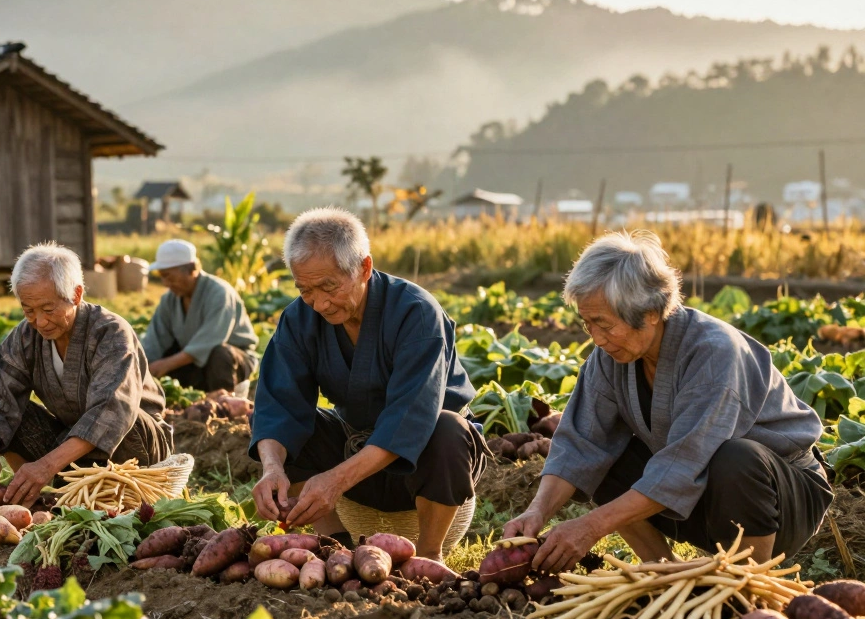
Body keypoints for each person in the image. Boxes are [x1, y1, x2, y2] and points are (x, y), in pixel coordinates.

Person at [504, 231, 834, 571]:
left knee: (736, 458)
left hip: (779, 499)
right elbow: (579, 444)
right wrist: (537, 511)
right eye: (588, 325)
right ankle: (664, 570)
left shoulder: (713, 352)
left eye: (604, 324)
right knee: (603, 460)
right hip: (701, 495)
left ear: (649, 312)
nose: (597, 339)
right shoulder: (609, 357)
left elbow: (685, 463)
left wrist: (591, 527)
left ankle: (747, 583)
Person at [248, 208, 487, 558]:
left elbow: (411, 419)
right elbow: (277, 405)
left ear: (364, 267)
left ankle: (429, 555)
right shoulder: (299, 318)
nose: (319, 303)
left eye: (329, 286)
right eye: (305, 290)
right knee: (287, 430)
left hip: (427, 466)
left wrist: (336, 480)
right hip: (357, 449)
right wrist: (272, 468)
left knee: (447, 429)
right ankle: (334, 545)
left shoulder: (416, 313)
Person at [0, 242, 175, 506]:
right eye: (28, 310)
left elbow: (111, 411)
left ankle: (78, 489)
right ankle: (34, 495)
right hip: (72, 445)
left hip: (137, 447)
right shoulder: (27, 335)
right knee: (12, 415)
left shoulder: (110, 333)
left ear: (76, 295)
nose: (39, 322)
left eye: (48, 309)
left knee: (125, 418)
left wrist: (46, 466)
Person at [141, 239, 259, 393]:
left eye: (169, 277)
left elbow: (209, 341)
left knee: (220, 354)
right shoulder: (169, 300)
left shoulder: (219, 293)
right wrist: (141, 365)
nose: (165, 283)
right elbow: (154, 340)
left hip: (232, 362)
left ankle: (225, 401)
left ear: (192, 270)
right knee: (163, 357)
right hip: (197, 365)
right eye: (162, 277)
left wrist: (165, 365)